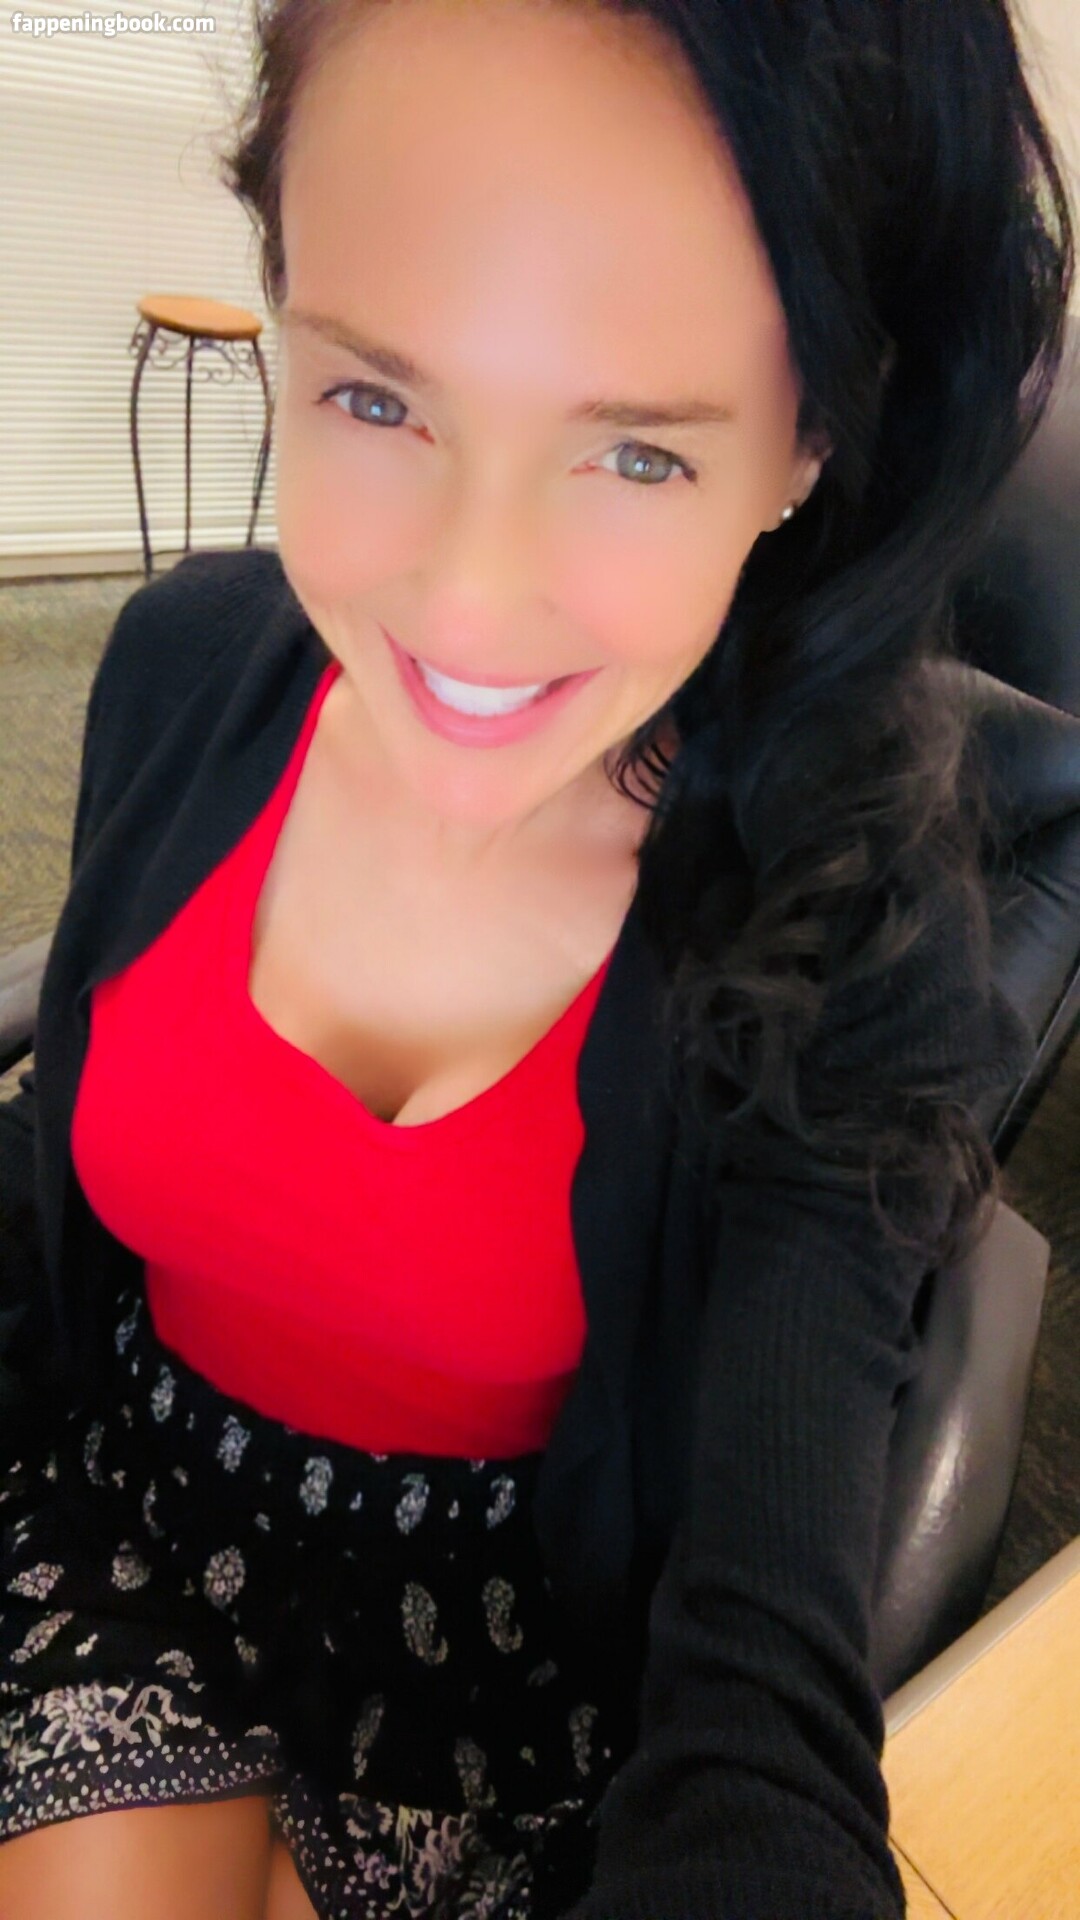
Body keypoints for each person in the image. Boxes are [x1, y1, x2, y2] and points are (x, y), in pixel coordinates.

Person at [0, 0, 1072, 1914]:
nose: (467, 600)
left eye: (638, 454)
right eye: (376, 399)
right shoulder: (177, 674)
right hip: (120, 1528)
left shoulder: (856, 917)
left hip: (509, 1690)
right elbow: (52, 1199)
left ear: (808, 442)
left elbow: (759, 1701)